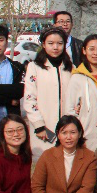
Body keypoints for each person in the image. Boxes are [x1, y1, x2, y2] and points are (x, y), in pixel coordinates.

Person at [24, 27, 73, 162]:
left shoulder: (70, 68)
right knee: (45, 164)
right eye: (51, 43)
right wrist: (39, 125)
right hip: (44, 129)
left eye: (59, 43)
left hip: (67, 128)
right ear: (44, 45)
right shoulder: (35, 67)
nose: (55, 47)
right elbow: (29, 98)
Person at [65, 34, 97, 151]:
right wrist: (77, 135)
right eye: (91, 49)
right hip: (87, 134)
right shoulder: (77, 77)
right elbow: (69, 109)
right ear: (84, 51)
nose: (95, 53)